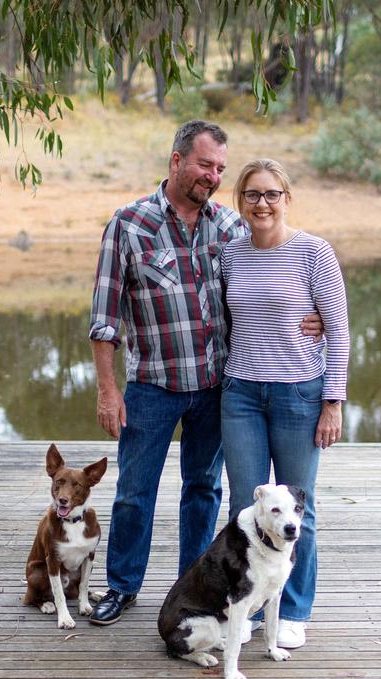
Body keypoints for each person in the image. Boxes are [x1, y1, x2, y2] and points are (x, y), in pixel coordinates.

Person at [87, 121, 322, 626]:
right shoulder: (128, 225)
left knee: (203, 490)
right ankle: (122, 586)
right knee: (133, 491)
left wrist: (315, 315)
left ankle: (188, 588)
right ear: (176, 162)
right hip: (152, 385)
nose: (213, 176)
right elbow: (104, 320)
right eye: (204, 165)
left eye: (220, 168)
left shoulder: (231, 227)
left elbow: (270, 279)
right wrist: (108, 391)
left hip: (217, 389)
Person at [219, 158, 349, 650]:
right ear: (241, 202)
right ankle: (247, 605)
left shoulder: (314, 253)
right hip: (241, 394)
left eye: (272, 194)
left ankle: (293, 609)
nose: (262, 203)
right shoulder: (232, 255)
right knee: (244, 507)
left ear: (287, 198)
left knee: (300, 509)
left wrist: (333, 401)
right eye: (252, 194)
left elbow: (337, 331)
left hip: (299, 392)